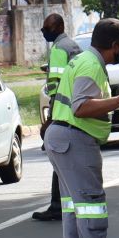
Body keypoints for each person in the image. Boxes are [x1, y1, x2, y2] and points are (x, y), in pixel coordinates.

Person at [46, 18, 119, 238]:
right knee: (91, 207)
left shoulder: (85, 60)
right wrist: (118, 101)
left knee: (73, 209)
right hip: (75, 140)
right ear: (114, 45)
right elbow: (81, 107)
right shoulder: (90, 65)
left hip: (63, 138)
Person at [33, 14, 83, 221]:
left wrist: (51, 118)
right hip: (77, 109)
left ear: (59, 27)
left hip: (64, 112)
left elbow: (55, 85)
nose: (45, 32)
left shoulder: (59, 49)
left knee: (59, 159)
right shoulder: (74, 46)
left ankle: (57, 206)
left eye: (47, 28)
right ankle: (69, 203)